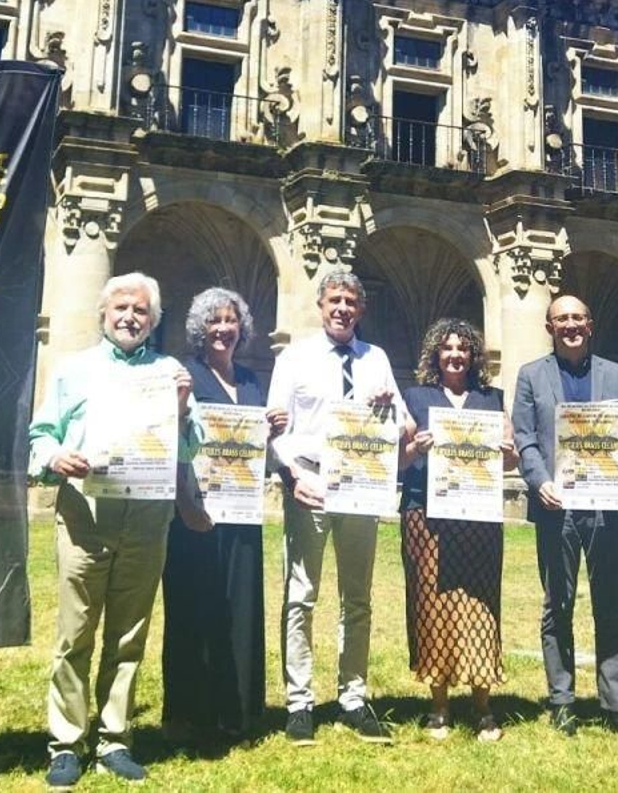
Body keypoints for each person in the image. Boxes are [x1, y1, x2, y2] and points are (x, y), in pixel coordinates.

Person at [28, 272, 199, 788]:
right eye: (121, 307)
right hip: (87, 515)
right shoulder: (74, 369)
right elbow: (41, 435)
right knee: (75, 632)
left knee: (129, 634)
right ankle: (66, 742)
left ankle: (114, 739)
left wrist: (182, 409)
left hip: (147, 517)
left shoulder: (169, 373)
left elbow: (191, 447)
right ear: (103, 314)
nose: (130, 317)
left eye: (140, 310)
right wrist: (56, 458)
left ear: (154, 320)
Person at [267, 267, 405, 746]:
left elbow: (401, 426)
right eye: (335, 301)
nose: (342, 309)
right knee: (301, 595)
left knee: (358, 597)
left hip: (360, 484)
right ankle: (299, 703)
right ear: (321, 306)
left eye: (350, 302)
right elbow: (275, 427)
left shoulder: (376, 359)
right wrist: (292, 478)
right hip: (311, 481)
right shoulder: (295, 357)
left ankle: (353, 698)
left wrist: (389, 407)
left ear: (360, 310)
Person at [511, 293, 618, 743]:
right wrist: (539, 481)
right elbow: (525, 438)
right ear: (549, 327)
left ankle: (617, 704)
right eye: (561, 319)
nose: (570, 325)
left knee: (610, 605)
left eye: (577, 318)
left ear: (590, 325)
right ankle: (562, 700)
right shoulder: (531, 374)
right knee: (557, 605)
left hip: (605, 504)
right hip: (556, 506)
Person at [160, 286, 285, 743]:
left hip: (242, 513)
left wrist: (272, 434)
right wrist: (184, 503)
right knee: (191, 608)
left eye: (231, 321)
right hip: (195, 512)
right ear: (199, 328)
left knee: (240, 607)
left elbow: (256, 451)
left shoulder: (251, 381)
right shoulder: (184, 375)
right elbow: (169, 439)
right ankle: (188, 713)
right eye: (214, 321)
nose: (223, 329)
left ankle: (239, 712)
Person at [397, 318, 516, 742]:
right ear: (435, 354)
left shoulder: (492, 398)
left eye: (463, 348)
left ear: (473, 356)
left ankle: (482, 705)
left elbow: (511, 461)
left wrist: (506, 453)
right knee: (433, 607)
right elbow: (399, 460)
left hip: (478, 517)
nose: (455, 355)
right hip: (426, 515)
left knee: (481, 606)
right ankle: (439, 706)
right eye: (447, 348)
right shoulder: (415, 397)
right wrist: (417, 447)